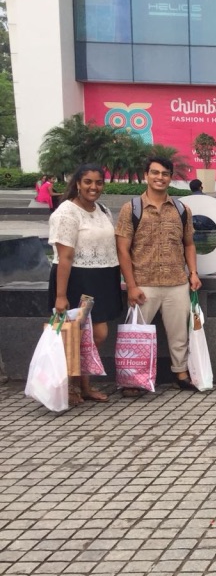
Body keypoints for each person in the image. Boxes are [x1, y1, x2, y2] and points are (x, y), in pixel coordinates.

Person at [115, 157, 203, 394]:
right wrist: (131, 285)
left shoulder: (181, 209)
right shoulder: (131, 208)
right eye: (155, 173)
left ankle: (181, 374)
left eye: (165, 173)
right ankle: (133, 379)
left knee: (179, 334)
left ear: (170, 177)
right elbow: (122, 249)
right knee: (136, 334)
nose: (160, 177)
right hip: (144, 283)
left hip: (176, 282)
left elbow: (189, 244)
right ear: (146, 175)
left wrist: (192, 272)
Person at [47, 164, 123, 405]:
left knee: (95, 336)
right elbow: (65, 257)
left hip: (101, 279)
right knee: (77, 337)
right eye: (88, 182)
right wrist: (61, 296)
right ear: (78, 183)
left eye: (98, 182)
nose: (94, 187)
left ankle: (85, 386)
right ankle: (69, 386)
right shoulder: (66, 213)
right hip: (77, 281)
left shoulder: (102, 210)